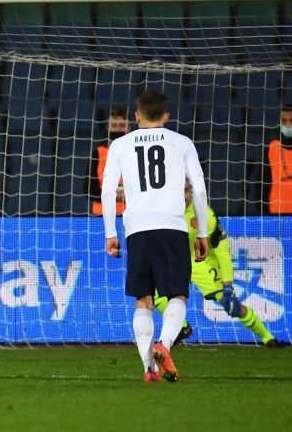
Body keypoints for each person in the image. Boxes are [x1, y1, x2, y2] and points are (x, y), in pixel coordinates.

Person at [101, 91, 209, 383]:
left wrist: (111, 233)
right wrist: (202, 232)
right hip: (172, 226)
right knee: (178, 294)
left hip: (136, 228)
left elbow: (108, 191)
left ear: (136, 117)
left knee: (143, 301)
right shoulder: (182, 142)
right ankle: (164, 344)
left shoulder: (120, 144)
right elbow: (198, 189)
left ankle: (149, 368)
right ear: (166, 117)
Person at [154, 182, 287, 348]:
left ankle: (268, 338)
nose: (182, 196)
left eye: (186, 191)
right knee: (156, 297)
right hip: (176, 262)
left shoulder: (205, 215)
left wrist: (228, 285)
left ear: (191, 192)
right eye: (178, 191)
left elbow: (222, 253)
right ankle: (183, 328)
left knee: (230, 304)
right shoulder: (164, 210)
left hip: (202, 262)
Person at [88, 105, 130, 215]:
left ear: (129, 127)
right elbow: (89, 189)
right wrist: (118, 196)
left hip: (130, 216)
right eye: (114, 125)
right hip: (101, 216)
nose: (118, 129)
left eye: (122, 125)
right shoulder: (98, 152)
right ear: (108, 127)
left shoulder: (136, 152)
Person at [265, 105, 292, 214]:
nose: (288, 125)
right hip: (276, 215)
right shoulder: (272, 147)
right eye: (284, 121)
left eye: (291, 120)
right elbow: (262, 182)